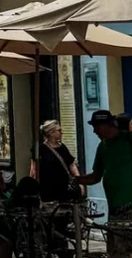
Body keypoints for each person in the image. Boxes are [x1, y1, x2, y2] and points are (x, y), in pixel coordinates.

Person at [77, 109, 132, 258]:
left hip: (129, 206)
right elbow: (95, 177)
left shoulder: (127, 140)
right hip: (115, 209)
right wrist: (76, 180)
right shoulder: (102, 147)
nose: (94, 131)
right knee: (116, 251)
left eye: (96, 127)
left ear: (106, 125)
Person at [31, 119, 81, 203]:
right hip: (47, 189)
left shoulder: (62, 147)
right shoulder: (40, 149)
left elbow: (71, 164)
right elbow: (33, 168)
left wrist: (80, 182)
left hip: (64, 188)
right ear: (51, 132)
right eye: (59, 130)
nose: (61, 132)